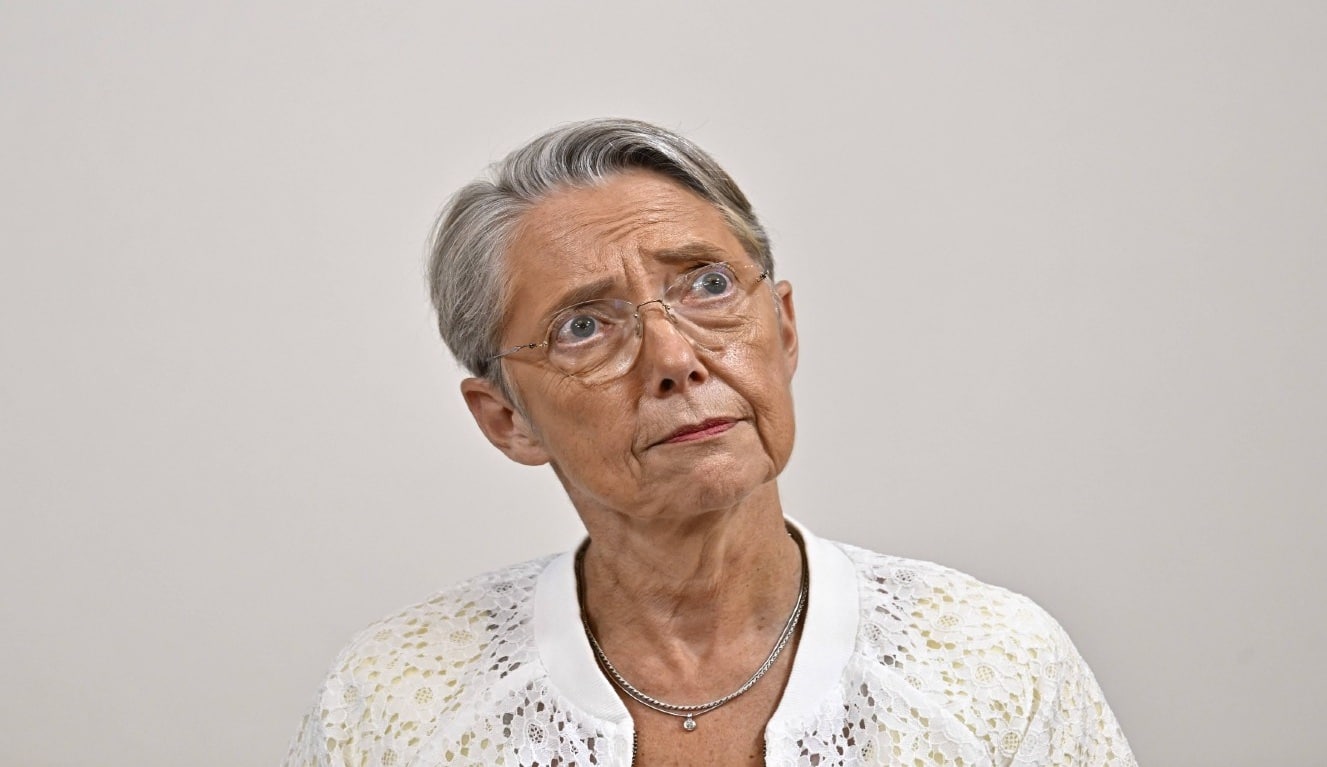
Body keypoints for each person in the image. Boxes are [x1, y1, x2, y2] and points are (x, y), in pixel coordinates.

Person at [283, 118, 1135, 766]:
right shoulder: (395, 704)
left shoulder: (993, 662)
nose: (674, 357)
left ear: (783, 327)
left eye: (709, 285)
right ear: (506, 419)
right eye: (583, 326)